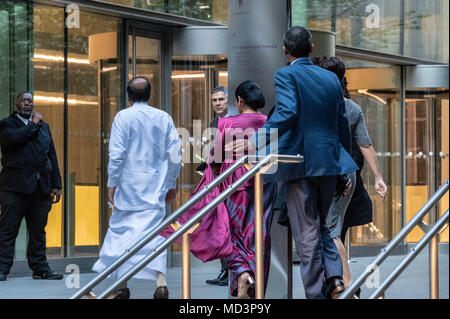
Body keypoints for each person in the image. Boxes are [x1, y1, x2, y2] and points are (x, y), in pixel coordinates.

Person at [227, 26, 359, 299]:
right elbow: (341, 123)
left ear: (285, 50)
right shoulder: (331, 80)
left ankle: (315, 293)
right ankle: (334, 279)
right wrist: (343, 166)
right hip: (328, 163)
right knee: (322, 226)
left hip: (299, 164)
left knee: (306, 233)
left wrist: (255, 141)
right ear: (312, 48)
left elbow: (287, 112)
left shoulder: (286, 74)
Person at [162, 80, 277, 299]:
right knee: (259, 236)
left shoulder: (227, 123)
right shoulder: (269, 123)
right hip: (266, 185)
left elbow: (214, 157)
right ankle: (256, 285)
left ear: (239, 101)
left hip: (234, 185)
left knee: (231, 235)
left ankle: (243, 274)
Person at [91, 77, 181, 299]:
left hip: (129, 188)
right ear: (149, 94)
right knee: (154, 235)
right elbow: (175, 155)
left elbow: (117, 154)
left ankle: (121, 286)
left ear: (128, 96)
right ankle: (161, 283)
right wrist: (170, 184)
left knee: (122, 234)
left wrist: (111, 183)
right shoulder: (163, 118)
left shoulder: (123, 117)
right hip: (155, 188)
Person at [318, 57, 387, 294]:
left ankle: (346, 284)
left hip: (332, 175)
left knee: (330, 229)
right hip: (346, 174)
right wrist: (378, 178)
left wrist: (379, 178)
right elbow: (366, 145)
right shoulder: (352, 107)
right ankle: (335, 282)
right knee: (331, 229)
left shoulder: (321, 105)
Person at [0, 92, 63, 282]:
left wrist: (57, 184)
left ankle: (40, 268)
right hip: (14, 189)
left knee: (38, 231)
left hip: (40, 188)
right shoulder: (7, 124)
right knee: (7, 230)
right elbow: (13, 139)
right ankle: (2, 268)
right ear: (17, 104)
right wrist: (33, 124)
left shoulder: (45, 127)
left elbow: (51, 155)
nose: (28, 103)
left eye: (30, 101)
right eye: (24, 100)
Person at [200, 86, 230, 287]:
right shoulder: (213, 123)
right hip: (218, 179)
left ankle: (231, 270)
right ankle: (225, 270)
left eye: (221, 99)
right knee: (221, 226)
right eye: (214, 100)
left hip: (232, 179)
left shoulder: (234, 121)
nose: (217, 103)